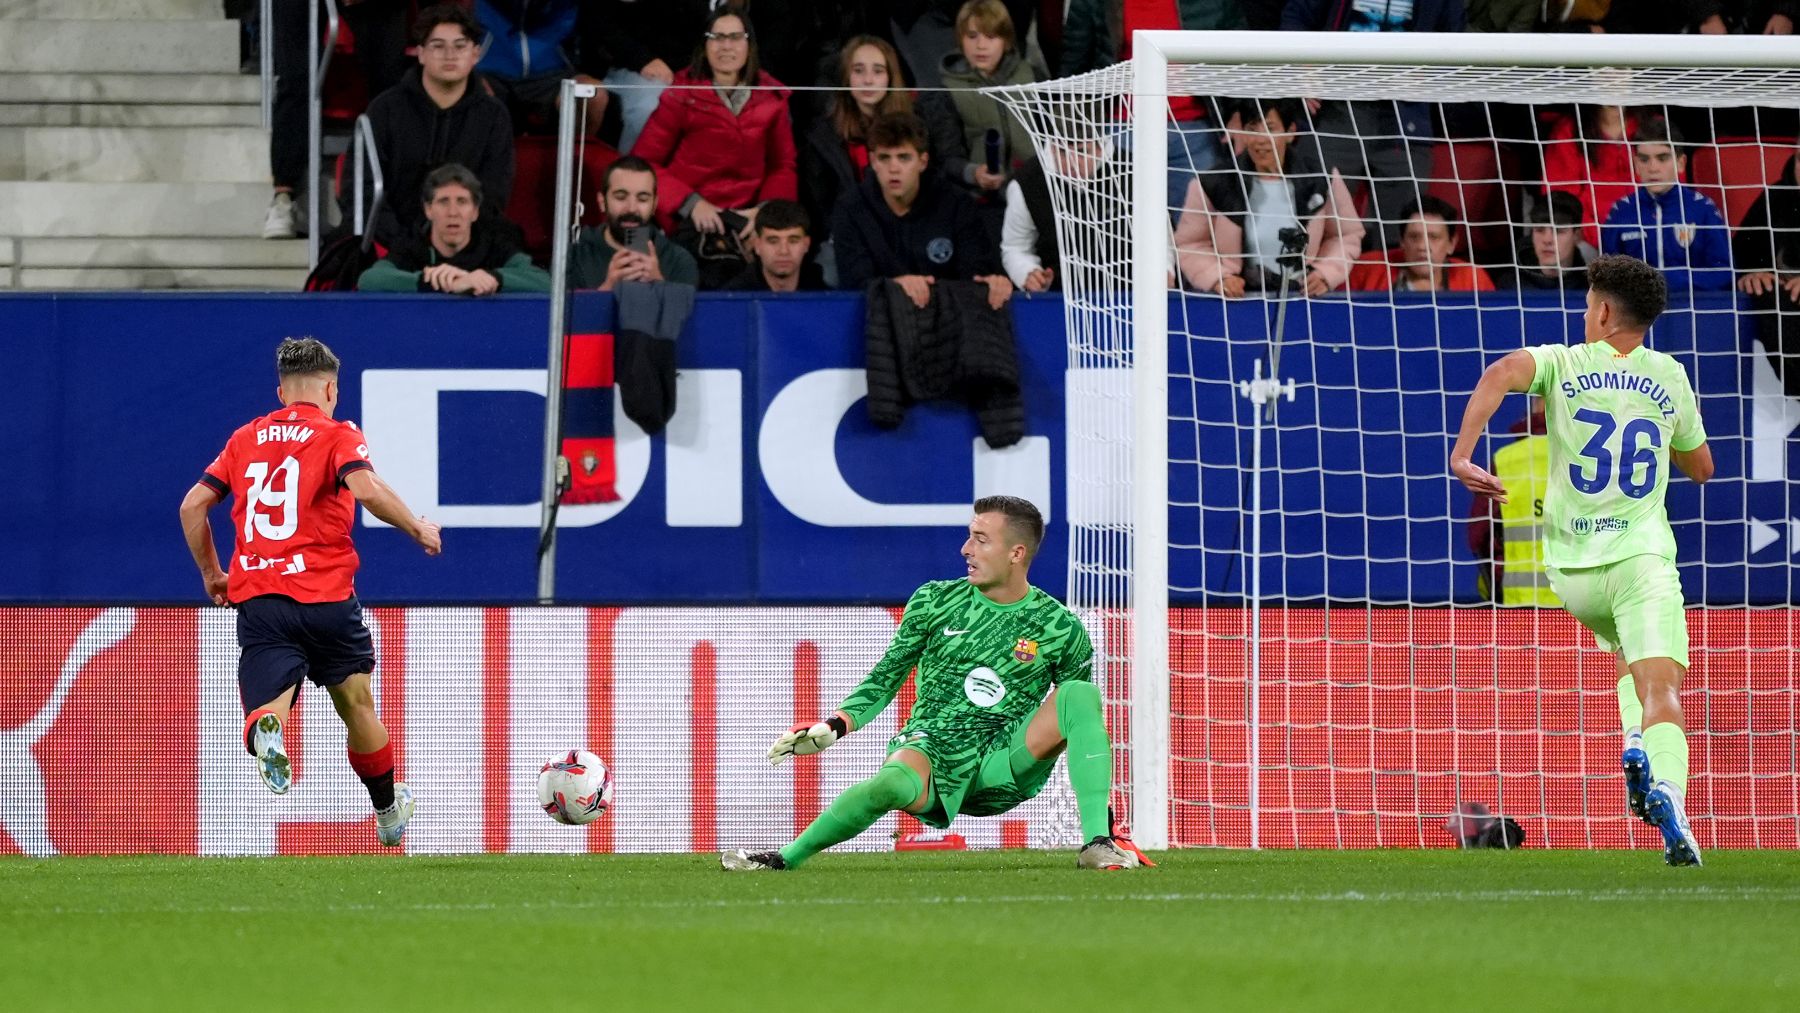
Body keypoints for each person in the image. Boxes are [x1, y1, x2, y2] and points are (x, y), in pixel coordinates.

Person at [721, 496, 1152, 871]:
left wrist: (1109, 818)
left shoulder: (1060, 627)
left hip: (1005, 761)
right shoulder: (935, 600)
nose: (966, 548)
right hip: (932, 748)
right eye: (970, 535)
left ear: (1016, 552)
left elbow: (1080, 723)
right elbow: (888, 674)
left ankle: (1098, 843)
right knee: (890, 785)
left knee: (1081, 693)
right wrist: (835, 724)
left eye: (981, 539)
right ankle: (783, 858)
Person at [1450, 254, 1714, 866]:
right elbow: (1703, 469)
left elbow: (1499, 372)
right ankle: (1669, 792)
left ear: (1600, 310)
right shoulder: (1669, 375)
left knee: (1628, 663)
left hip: (1571, 574)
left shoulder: (1561, 364)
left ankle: (1635, 746)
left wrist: (1465, 456)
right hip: (1639, 558)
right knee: (1664, 687)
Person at [177, 338, 443, 847]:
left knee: (266, 707)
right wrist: (416, 527)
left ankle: (267, 733)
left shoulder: (244, 438)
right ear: (329, 388)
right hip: (327, 598)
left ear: (281, 392)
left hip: (261, 597)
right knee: (358, 705)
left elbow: (193, 506)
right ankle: (388, 810)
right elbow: (365, 489)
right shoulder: (337, 433)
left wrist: (213, 574)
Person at [631, 4, 800, 289]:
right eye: (717, 37)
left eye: (735, 37)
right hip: (691, 220)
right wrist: (691, 204)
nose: (726, 46)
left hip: (748, 219)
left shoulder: (773, 97)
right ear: (704, 45)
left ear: (750, 45)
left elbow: (782, 165)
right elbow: (643, 163)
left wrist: (765, 211)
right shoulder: (681, 94)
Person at [1281, 0, 1465, 248]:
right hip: (1335, 109)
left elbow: (1456, 43)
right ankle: (1305, 284)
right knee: (1312, 221)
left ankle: (1391, 287)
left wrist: (1429, 75)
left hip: (1405, 117)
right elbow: (1296, 18)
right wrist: (1304, 69)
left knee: (1399, 236)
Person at [353, 4, 516, 250]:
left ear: (476, 54)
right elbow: (361, 190)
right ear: (420, 54)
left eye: (459, 46)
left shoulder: (494, 115)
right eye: (438, 46)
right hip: (392, 246)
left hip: (465, 245)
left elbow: (492, 195)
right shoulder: (384, 109)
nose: (449, 55)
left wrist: (453, 244)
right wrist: (404, 245)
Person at [1171, 97, 1364, 297]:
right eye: (1252, 129)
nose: (1261, 139)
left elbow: (1346, 235)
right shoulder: (1214, 182)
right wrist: (1219, 277)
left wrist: (1325, 273)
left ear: (1290, 132)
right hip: (1237, 301)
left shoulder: (1321, 178)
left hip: (1304, 298)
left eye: (1271, 128)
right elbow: (1191, 243)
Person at [831, 112, 1012, 311]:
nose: (893, 168)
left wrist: (992, 284)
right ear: (873, 161)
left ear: (922, 162)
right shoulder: (850, 208)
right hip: (878, 319)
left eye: (904, 157)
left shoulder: (957, 203)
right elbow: (854, 284)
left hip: (948, 319)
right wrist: (896, 287)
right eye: (884, 158)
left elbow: (974, 274)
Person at [357, 164, 551, 294]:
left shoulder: (493, 243)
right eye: (443, 201)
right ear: (428, 209)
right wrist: (433, 282)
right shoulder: (413, 244)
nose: (453, 212)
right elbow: (369, 279)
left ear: (475, 211)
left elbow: (546, 282)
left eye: (462, 202)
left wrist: (493, 278)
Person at [1600, 118, 1733, 293]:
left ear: (1681, 163)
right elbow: (1606, 277)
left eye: (1662, 158)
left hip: (1693, 309)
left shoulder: (1703, 210)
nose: (1653, 168)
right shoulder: (1621, 212)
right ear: (1636, 165)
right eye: (1644, 159)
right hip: (1637, 313)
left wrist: (1669, 280)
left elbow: (1724, 273)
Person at [1464, 396, 1562, 606]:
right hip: (1586, 608)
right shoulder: (1595, 461)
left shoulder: (1506, 460)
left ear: (1536, 405)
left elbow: (1479, 537)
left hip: (1521, 606)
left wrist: (1495, 586)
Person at [568, 155, 700, 291]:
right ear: (602, 202)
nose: (631, 208)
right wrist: (607, 289)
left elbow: (684, 312)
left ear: (654, 205)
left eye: (642, 199)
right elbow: (563, 312)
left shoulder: (679, 261)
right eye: (621, 197)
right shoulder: (573, 257)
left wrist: (659, 284)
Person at [473, 0, 608, 131]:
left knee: (594, 94)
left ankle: (578, 152)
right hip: (491, 71)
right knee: (475, 92)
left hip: (554, 74)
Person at [1733, 150, 1800, 399]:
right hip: (1786, 301)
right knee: (1765, 291)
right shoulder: (1775, 198)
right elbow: (1742, 249)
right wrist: (1752, 271)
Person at [1349, 196, 1496, 293]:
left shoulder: (1473, 279)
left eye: (1434, 237)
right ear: (1402, 241)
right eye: (1414, 237)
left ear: (1451, 243)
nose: (1423, 246)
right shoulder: (1367, 269)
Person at [721, 199, 825, 292]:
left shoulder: (826, 299)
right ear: (757, 245)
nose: (783, 251)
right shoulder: (731, 300)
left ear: (806, 244)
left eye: (793, 241)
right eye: (773, 241)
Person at [1503, 191, 1595, 291]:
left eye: (1558, 231)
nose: (1547, 240)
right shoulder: (1509, 285)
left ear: (1577, 236)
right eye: (1539, 230)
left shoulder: (1592, 287)